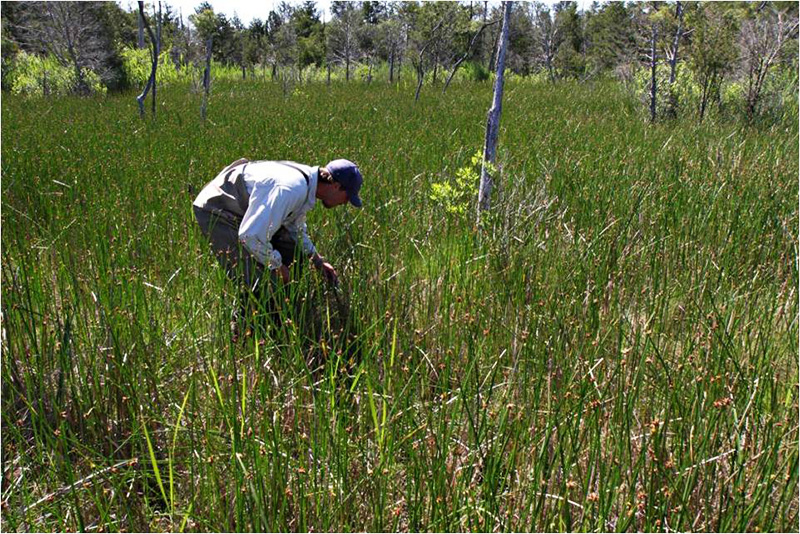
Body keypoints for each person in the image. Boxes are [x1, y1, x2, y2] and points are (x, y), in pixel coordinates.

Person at [193, 158, 363, 327]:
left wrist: (317, 261)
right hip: (218, 210)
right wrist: (277, 267)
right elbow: (250, 236)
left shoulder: (306, 184)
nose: (345, 203)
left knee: (292, 250)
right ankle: (246, 333)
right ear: (336, 186)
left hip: (240, 211)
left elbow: (294, 227)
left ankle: (277, 316)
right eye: (347, 197)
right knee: (263, 282)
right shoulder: (291, 189)